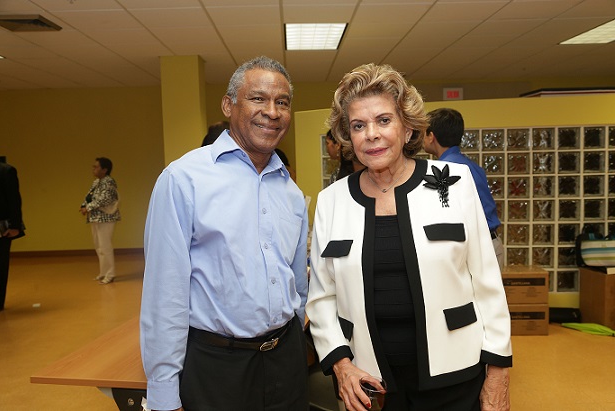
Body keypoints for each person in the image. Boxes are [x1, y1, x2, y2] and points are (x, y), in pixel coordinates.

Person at [305, 64, 512, 411]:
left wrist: (499, 372)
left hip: (455, 376)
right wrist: (341, 366)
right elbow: (322, 297)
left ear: (407, 128)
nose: (371, 134)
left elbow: (488, 285)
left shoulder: (455, 181)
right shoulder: (332, 200)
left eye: (384, 120)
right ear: (347, 136)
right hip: (370, 382)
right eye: (358, 125)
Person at [140, 56, 310, 411]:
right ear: (229, 105)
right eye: (258, 98)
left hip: (286, 362)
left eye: (282, 102)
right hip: (217, 367)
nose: (272, 111)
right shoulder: (183, 180)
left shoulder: (291, 192)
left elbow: (297, 282)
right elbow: (165, 293)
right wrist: (163, 392)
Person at [423, 108, 504, 268]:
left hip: (475, 249)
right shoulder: (471, 166)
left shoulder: (444, 171)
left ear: (431, 137)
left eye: (423, 134)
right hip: (491, 243)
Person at [79, 157, 121, 285]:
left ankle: (110, 274)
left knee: (105, 247)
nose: (94, 169)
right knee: (99, 247)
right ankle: (103, 272)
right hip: (95, 218)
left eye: (96, 167)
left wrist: (88, 207)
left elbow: (105, 199)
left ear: (105, 169)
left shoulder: (109, 182)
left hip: (106, 219)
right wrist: (83, 205)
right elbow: (89, 196)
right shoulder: (96, 182)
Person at [0, 156, 24, 311]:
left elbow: (14, 200)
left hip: (2, 226)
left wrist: (16, 225)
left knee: (0, 263)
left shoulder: (6, 171)